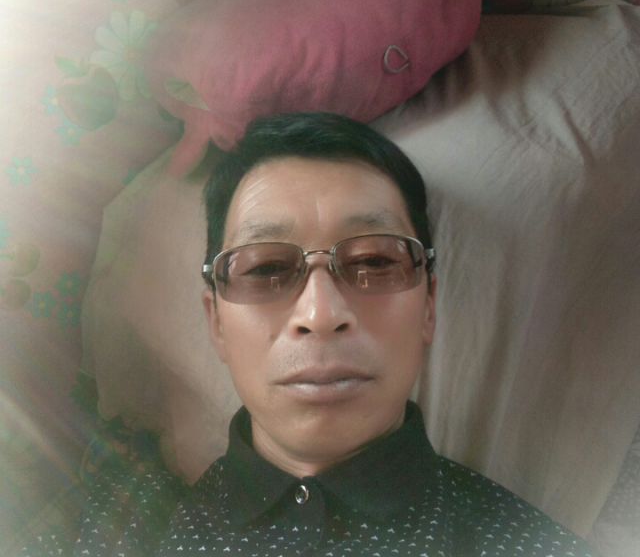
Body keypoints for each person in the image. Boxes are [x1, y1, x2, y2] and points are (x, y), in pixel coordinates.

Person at [20, 112, 596, 556]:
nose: (321, 313)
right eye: (266, 268)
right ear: (215, 320)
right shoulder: (113, 524)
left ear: (428, 306)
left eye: (374, 261)